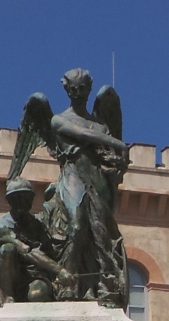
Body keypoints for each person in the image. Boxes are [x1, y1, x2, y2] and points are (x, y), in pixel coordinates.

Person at [48, 68, 128, 308]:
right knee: (78, 225)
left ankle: (104, 286)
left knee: (100, 232)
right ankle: (67, 285)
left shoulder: (100, 124)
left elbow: (108, 155)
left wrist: (117, 162)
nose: (78, 93)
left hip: (97, 177)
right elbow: (82, 134)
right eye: (73, 88)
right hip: (73, 175)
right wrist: (118, 143)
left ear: (89, 89)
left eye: (82, 88)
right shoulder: (58, 120)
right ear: (66, 89)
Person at [0, 178, 74, 308]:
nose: (22, 202)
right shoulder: (1, 224)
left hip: (34, 275)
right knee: (7, 249)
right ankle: (8, 299)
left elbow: (52, 248)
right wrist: (60, 270)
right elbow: (25, 250)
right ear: (10, 201)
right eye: (17, 198)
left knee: (38, 294)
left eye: (26, 198)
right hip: (12, 276)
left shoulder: (38, 224)